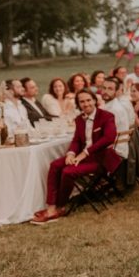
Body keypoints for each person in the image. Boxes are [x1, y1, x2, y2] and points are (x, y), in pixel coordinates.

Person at [31, 89, 119, 225]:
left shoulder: (107, 116)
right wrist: (71, 153)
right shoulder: (79, 119)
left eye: (88, 100)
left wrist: (85, 153)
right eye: (82, 101)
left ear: (95, 100)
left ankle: (60, 206)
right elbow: (77, 140)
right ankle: (51, 207)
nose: (86, 104)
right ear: (78, 104)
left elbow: (109, 138)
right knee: (55, 165)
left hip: (100, 159)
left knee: (68, 171)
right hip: (82, 157)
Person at [100, 77, 131, 161]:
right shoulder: (109, 105)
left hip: (114, 150)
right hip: (117, 146)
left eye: (110, 89)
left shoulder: (114, 109)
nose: (106, 91)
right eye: (104, 88)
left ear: (116, 92)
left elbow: (104, 135)